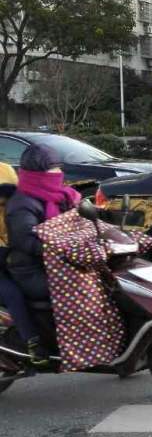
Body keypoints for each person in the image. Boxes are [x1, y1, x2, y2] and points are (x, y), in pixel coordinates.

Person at [6, 144, 81, 305]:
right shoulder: (22, 204)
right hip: (32, 270)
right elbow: (26, 241)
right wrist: (65, 248)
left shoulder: (61, 196)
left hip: (59, 263)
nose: (59, 174)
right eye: (53, 170)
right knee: (83, 287)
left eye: (59, 169)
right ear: (37, 175)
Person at [0, 162, 48, 366]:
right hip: (6, 251)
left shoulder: (6, 170)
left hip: (11, 248)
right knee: (12, 291)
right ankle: (32, 341)